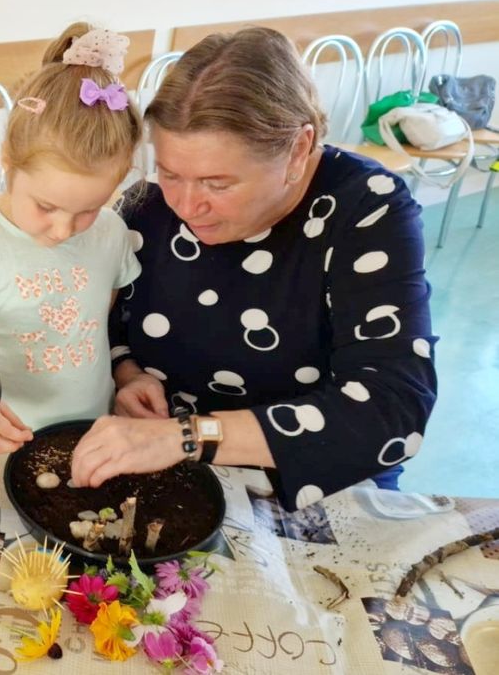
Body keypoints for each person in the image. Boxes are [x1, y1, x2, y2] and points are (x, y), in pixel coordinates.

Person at [69, 27, 438, 511]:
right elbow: (107, 316)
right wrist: (127, 372)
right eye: (170, 172)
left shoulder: (365, 209)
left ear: (298, 149)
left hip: (304, 474)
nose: (185, 205)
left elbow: (391, 407)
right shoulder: (149, 204)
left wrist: (189, 437)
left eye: (217, 184)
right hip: (163, 456)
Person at [0, 24, 143, 452]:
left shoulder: (112, 233)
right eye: (45, 206)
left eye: (88, 210)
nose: (63, 230)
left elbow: (100, 322)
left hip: (93, 435)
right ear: (7, 160)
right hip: (0, 445)